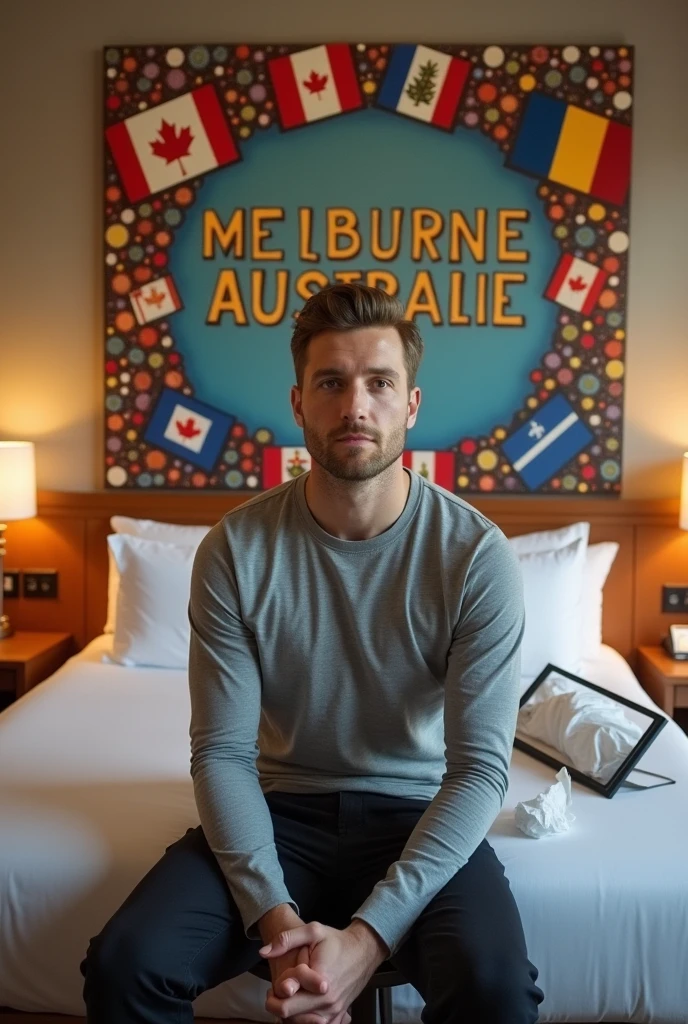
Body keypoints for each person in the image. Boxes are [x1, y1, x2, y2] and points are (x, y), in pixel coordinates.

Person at [80, 283, 544, 1023]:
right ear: (299, 404)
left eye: (378, 383)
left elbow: (480, 771)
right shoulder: (236, 550)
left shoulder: (475, 555)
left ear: (412, 406)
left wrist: (367, 938)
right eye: (331, 382)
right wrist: (276, 920)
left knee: (497, 990)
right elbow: (223, 755)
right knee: (124, 965)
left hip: (417, 814)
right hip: (279, 810)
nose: (355, 406)